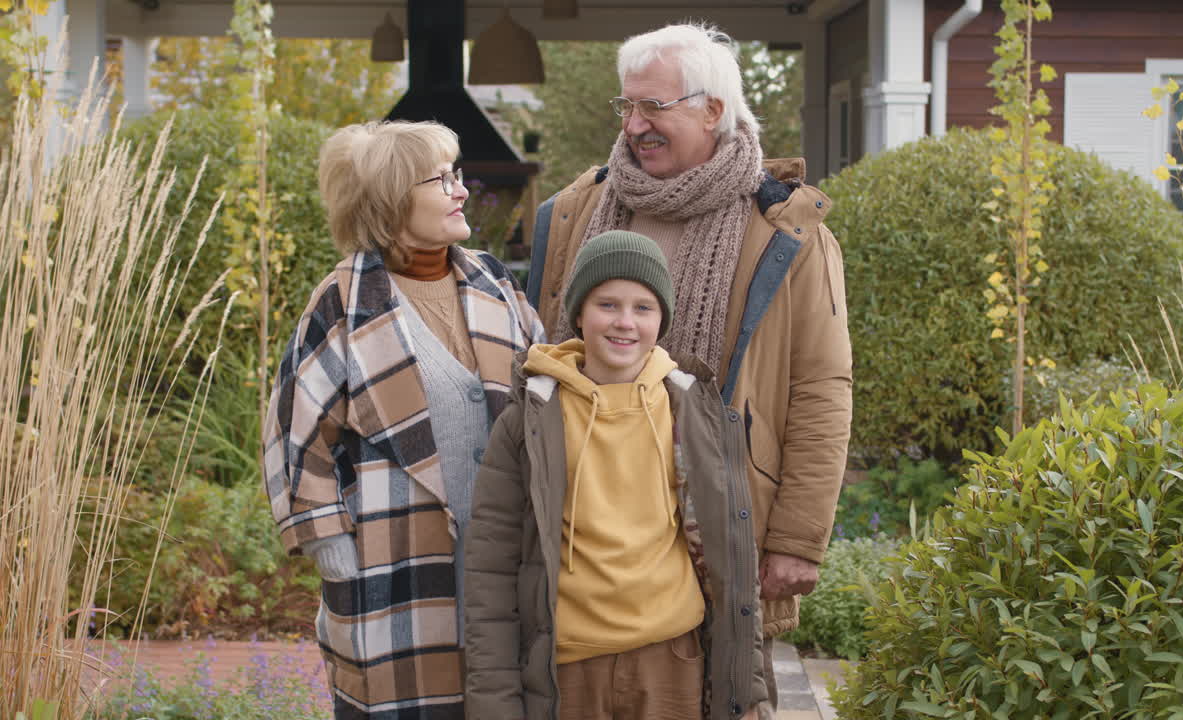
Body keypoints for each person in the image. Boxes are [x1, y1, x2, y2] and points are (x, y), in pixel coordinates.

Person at [522, 22, 853, 705]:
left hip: (724, 528)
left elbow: (822, 388)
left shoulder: (784, 232)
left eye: (654, 107)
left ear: (712, 110)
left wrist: (797, 537)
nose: (635, 123)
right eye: (627, 106)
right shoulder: (576, 211)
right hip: (592, 538)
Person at [262, 120, 545, 720]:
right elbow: (295, 428)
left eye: (457, 175)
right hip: (393, 563)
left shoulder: (495, 283)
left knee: (500, 701)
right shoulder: (342, 302)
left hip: (503, 561)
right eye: (441, 180)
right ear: (391, 199)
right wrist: (328, 539)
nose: (461, 190)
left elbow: (548, 396)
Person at [464, 230, 768, 720]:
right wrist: (493, 704)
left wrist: (746, 690)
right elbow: (490, 574)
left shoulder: (694, 412)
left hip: (671, 659)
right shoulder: (529, 420)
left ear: (661, 319)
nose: (625, 323)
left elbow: (735, 561)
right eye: (607, 304)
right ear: (579, 313)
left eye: (643, 308)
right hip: (566, 669)